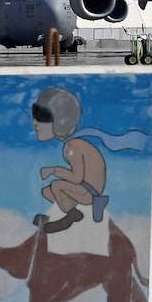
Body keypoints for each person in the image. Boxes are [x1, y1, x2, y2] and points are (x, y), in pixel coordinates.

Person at [32, 86, 108, 232]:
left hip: (90, 191)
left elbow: (76, 178)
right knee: (47, 192)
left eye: (42, 117)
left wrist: (53, 170)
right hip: (85, 189)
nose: (35, 123)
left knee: (56, 186)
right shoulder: (72, 144)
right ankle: (71, 212)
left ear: (60, 122)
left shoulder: (73, 146)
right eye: (35, 116)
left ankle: (72, 216)